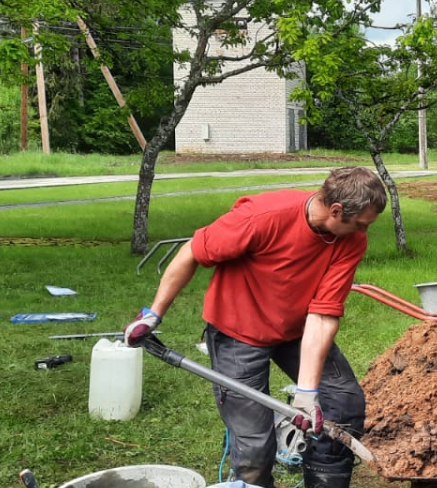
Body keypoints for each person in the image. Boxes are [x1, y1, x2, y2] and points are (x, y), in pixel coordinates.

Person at [124, 166, 387, 488]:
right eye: (361, 222)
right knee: (255, 442)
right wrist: (154, 314)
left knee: (344, 402)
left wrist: (307, 393)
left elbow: (323, 314)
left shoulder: (351, 240)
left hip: (296, 330)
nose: (364, 231)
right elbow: (190, 252)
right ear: (336, 210)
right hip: (239, 333)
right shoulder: (262, 217)